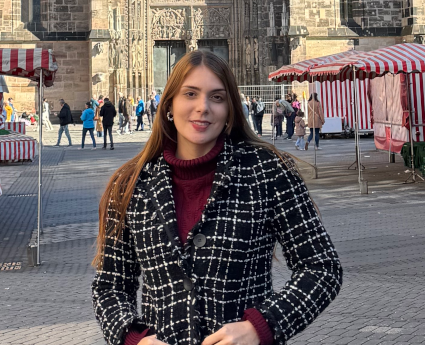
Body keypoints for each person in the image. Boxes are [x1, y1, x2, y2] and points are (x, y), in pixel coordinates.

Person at [92, 50, 343, 345]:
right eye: (190, 94)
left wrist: (261, 327)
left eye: (217, 97)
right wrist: (134, 340)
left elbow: (322, 267)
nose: (203, 107)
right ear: (169, 104)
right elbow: (110, 287)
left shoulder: (268, 170)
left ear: (229, 110)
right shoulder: (131, 184)